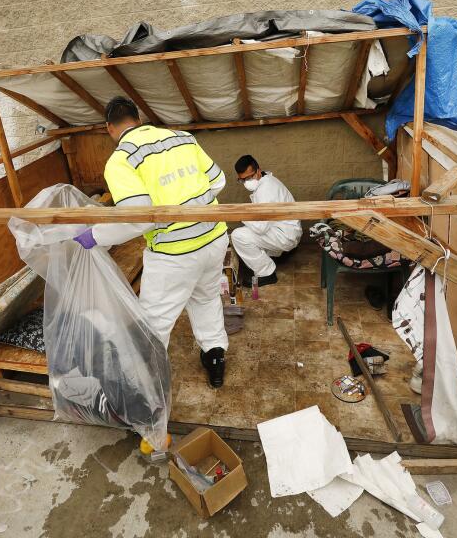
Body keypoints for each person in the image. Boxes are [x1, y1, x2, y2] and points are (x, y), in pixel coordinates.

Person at [72, 96, 229, 388]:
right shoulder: (183, 139)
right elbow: (218, 181)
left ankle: (142, 388)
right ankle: (215, 359)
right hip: (214, 238)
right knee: (206, 298)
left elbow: (138, 219)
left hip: (175, 253)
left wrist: (95, 236)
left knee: (155, 322)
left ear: (109, 128)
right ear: (139, 119)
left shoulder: (122, 159)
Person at [231, 155, 302, 286]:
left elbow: (261, 228)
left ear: (258, 170)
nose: (247, 182)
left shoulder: (265, 190)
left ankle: (266, 273)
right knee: (249, 229)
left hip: (286, 235)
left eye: (249, 177)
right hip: (286, 229)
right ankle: (276, 255)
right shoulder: (267, 180)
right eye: (242, 180)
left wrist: (240, 215)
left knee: (238, 235)